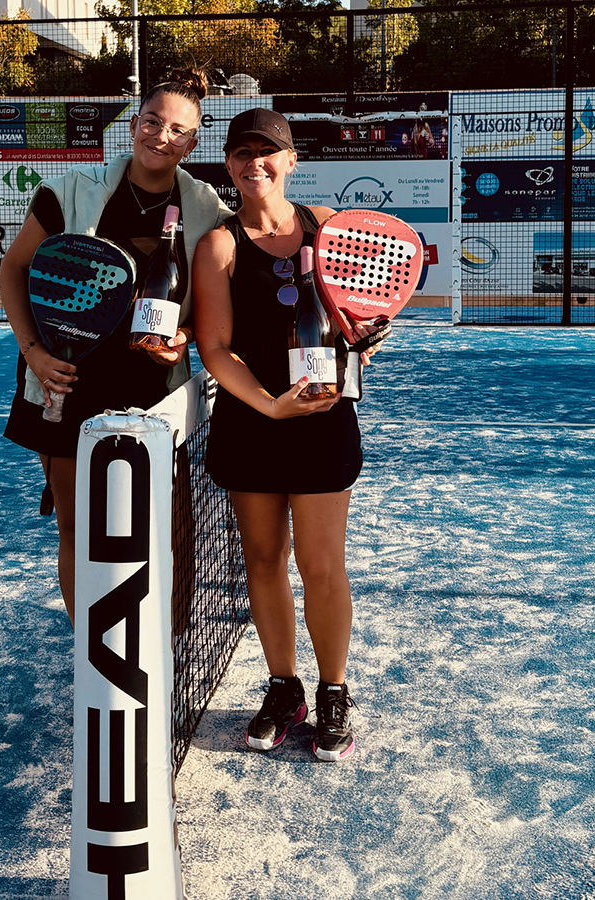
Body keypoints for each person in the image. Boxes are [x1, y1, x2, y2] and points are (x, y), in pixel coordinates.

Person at [0, 68, 231, 626]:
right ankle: (91, 649)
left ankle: (168, 647)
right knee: (78, 524)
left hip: (155, 389)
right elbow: (15, 268)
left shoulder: (207, 209)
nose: (162, 136)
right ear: (134, 125)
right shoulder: (71, 190)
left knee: (168, 524)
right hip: (66, 378)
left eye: (178, 130)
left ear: (193, 142)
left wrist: (185, 339)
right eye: (153, 121)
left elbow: (212, 303)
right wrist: (33, 352)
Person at [193, 108, 373, 762]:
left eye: (267, 153)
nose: (254, 164)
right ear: (230, 168)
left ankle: (332, 692)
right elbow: (213, 348)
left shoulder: (328, 228)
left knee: (321, 566)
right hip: (253, 424)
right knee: (264, 563)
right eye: (241, 154)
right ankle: (284, 688)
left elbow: (359, 323)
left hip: (324, 425)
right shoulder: (216, 244)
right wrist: (270, 407)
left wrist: (363, 351)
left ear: (291, 161)